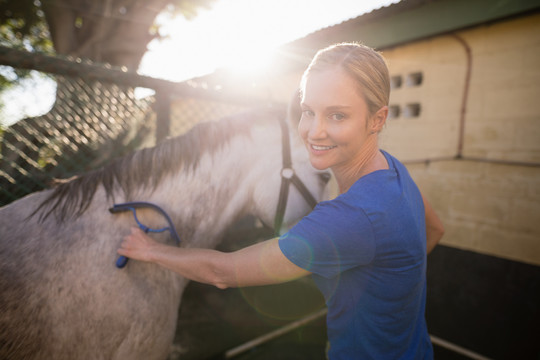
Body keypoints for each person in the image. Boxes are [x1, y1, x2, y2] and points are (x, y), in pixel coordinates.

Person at [118, 42, 445, 359]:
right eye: (308, 111)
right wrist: (387, 284)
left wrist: (150, 250)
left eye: (337, 116)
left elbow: (224, 272)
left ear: (377, 119)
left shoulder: (353, 216)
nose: (314, 132)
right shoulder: (393, 169)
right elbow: (435, 229)